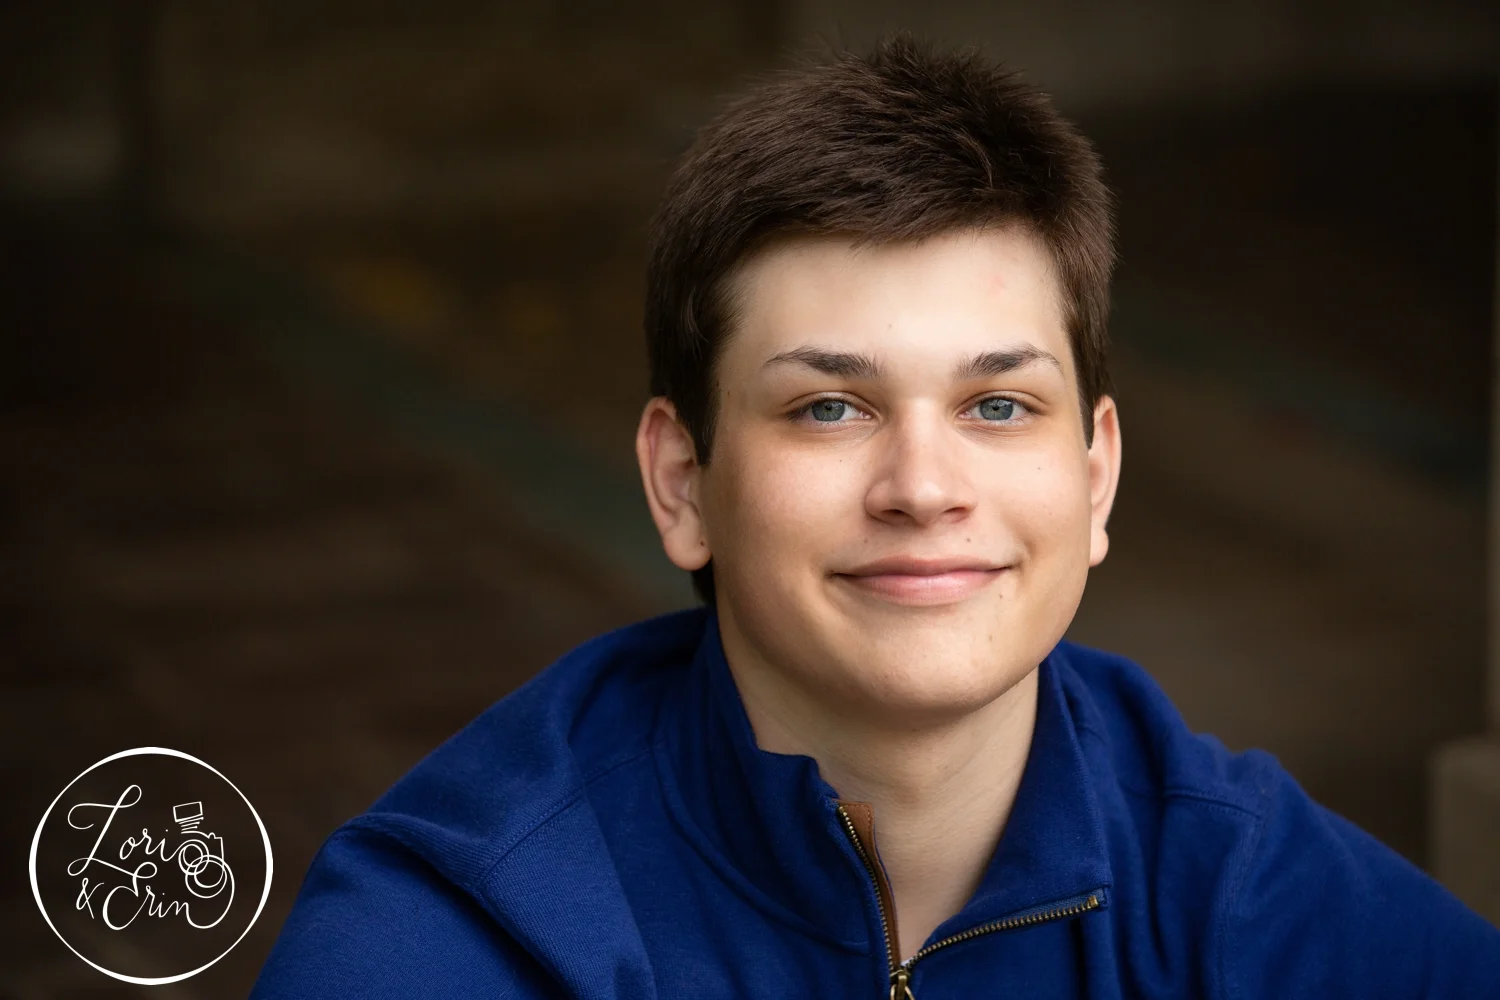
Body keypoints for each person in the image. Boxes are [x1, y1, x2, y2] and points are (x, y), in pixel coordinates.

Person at [249, 37, 1500, 999]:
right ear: (682, 481)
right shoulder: (455, 937)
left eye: (999, 405)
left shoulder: (1233, 886)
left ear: (1096, 476)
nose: (923, 485)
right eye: (830, 408)